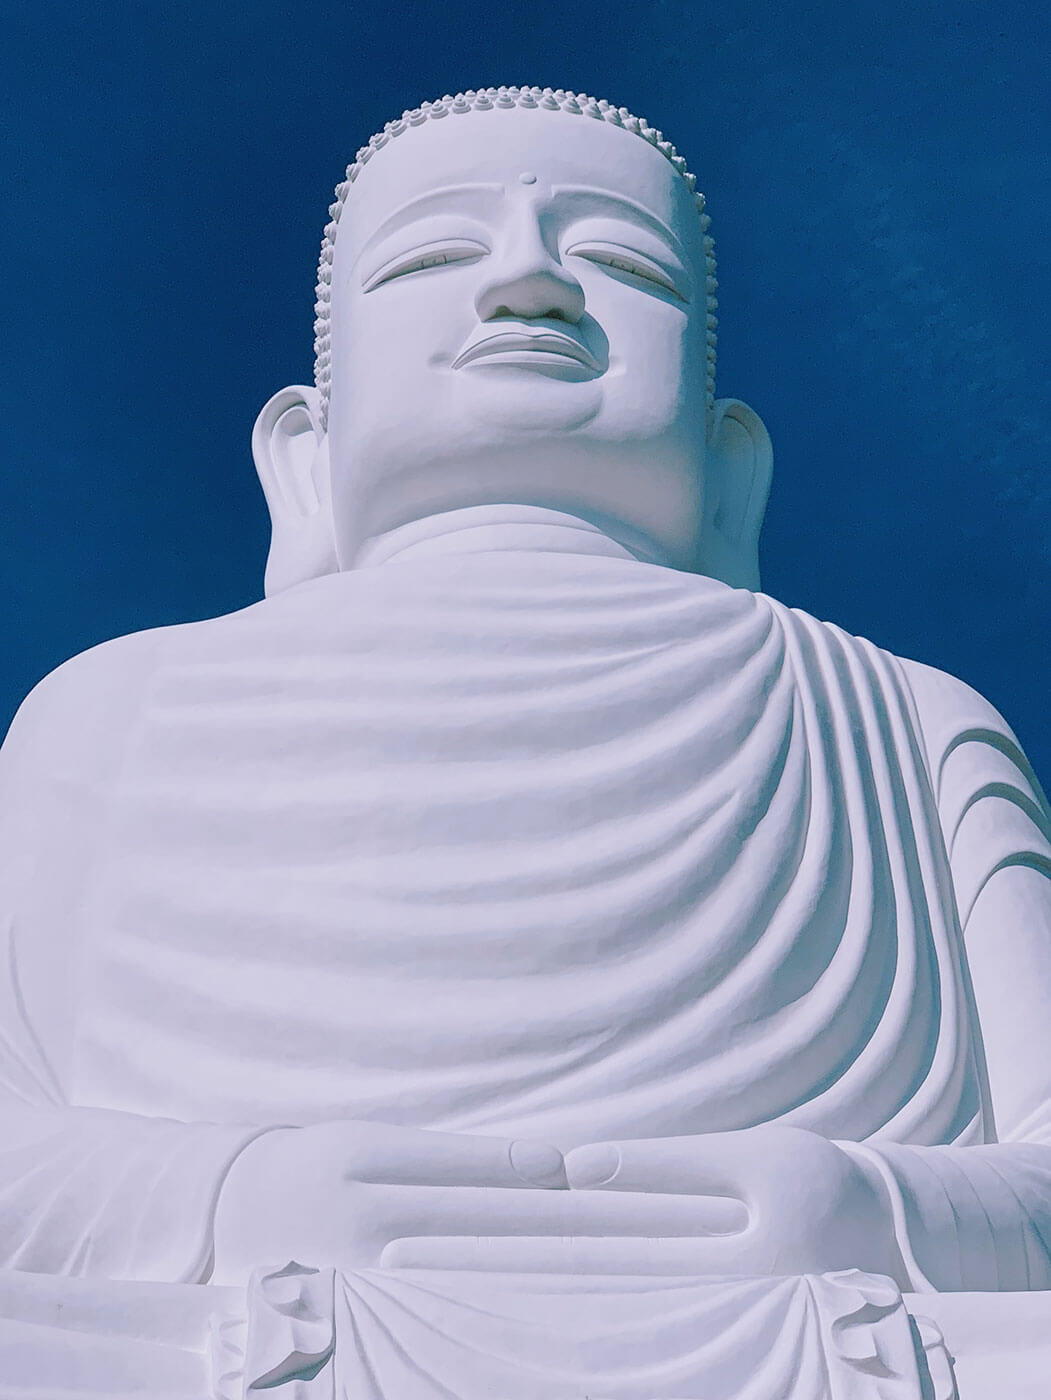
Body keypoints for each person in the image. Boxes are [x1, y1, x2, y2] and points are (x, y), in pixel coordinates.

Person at [2, 86, 1049, 1396]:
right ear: (305, 456)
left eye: (621, 264)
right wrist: (231, 1194)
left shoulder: (909, 721)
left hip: (842, 1325)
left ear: (735, 469)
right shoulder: (106, 708)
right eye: (435, 257)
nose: (528, 287)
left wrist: (869, 1206)